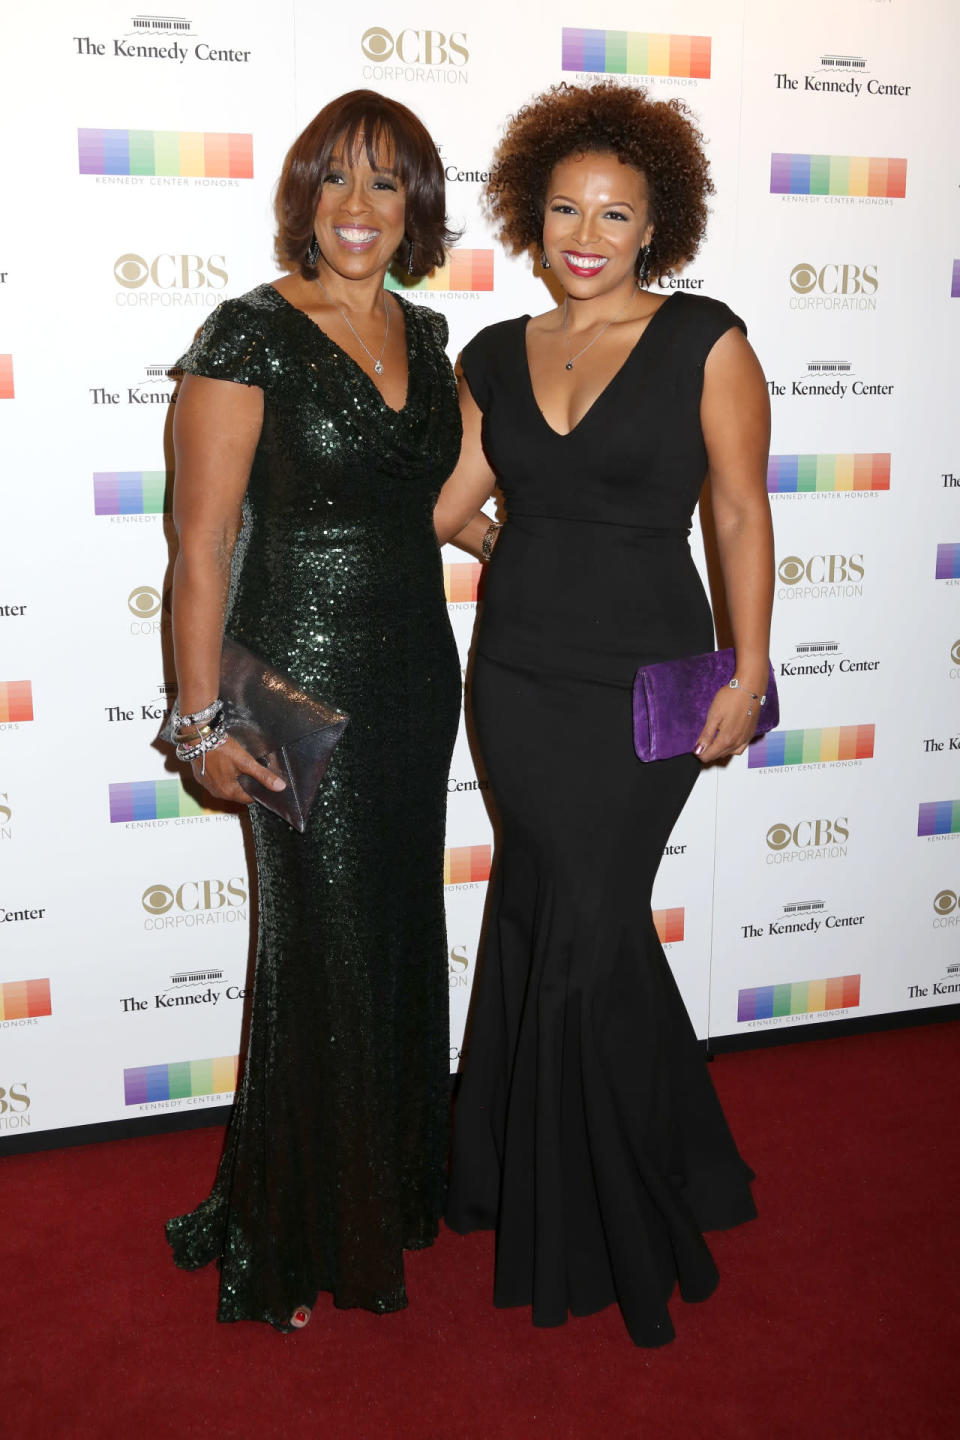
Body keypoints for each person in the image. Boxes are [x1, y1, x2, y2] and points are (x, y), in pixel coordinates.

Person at [434, 81, 773, 1347]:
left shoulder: (707, 340)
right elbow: (451, 500)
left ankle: (604, 1209)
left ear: (655, 226)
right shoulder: (490, 355)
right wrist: (491, 537)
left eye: (616, 213)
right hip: (515, 675)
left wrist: (748, 670)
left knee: (583, 917)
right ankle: (634, 1159)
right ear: (532, 214)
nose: (588, 232)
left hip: (651, 681)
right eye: (566, 207)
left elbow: (739, 511)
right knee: (551, 906)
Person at [165, 90, 467, 1331]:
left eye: (387, 182)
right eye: (335, 179)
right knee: (317, 953)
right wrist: (200, 722)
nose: (359, 207)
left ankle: (386, 1191)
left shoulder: (432, 331)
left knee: (394, 934)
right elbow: (199, 543)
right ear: (302, 193)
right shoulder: (247, 334)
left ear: (417, 205)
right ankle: (292, 1231)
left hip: (418, 676)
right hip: (297, 687)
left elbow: (433, 500)